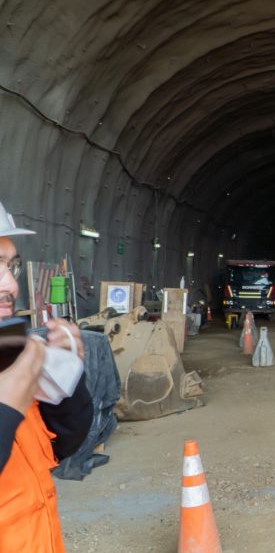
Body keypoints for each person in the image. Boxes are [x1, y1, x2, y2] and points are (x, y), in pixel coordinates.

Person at [0, 199, 92, 551]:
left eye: (13, 267)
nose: (12, 285)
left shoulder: (7, 348)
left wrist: (67, 381)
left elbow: (58, 445)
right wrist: (7, 406)